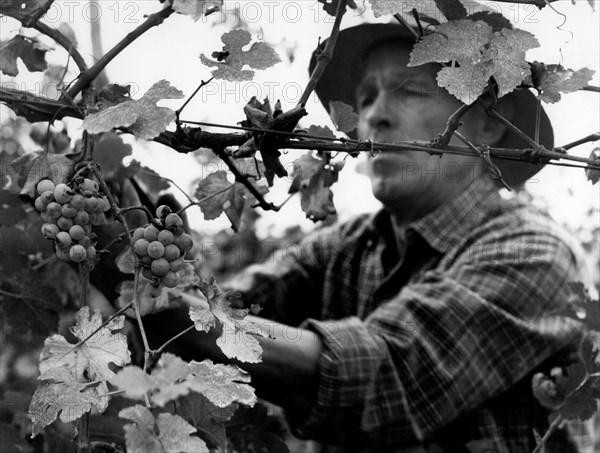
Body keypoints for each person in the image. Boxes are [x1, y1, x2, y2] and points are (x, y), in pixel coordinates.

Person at [142, 23, 592, 452]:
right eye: (365, 100)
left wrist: (178, 313)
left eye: (409, 91)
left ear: (491, 123)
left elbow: (388, 368)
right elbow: (233, 305)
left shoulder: (532, 253)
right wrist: (156, 275)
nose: (374, 116)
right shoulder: (347, 243)